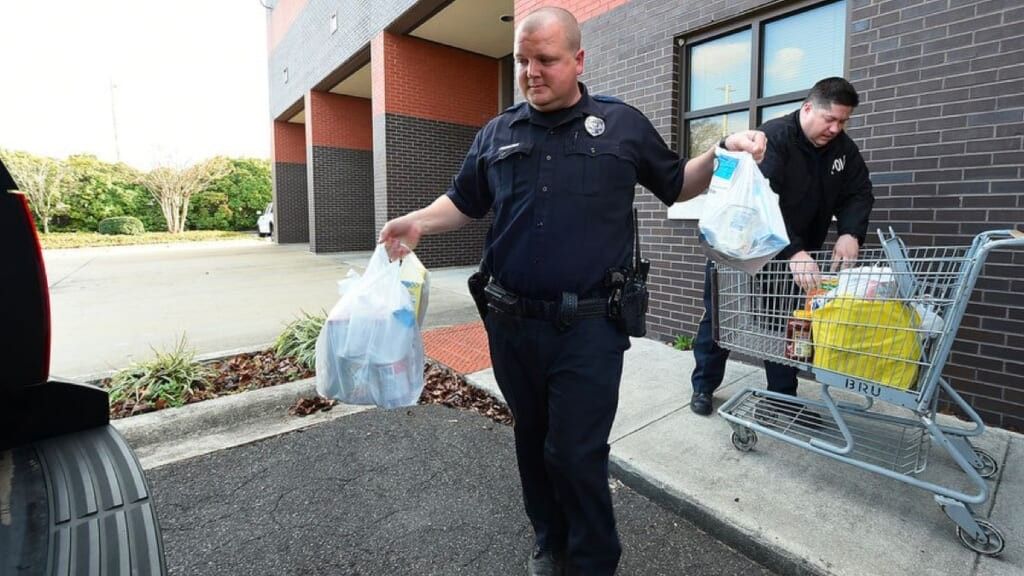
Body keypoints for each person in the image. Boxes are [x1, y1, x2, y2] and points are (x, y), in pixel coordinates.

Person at [379, 7, 765, 575]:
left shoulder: (621, 125)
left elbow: (678, 185)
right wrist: (418, 223)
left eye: (546, 60)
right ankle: (549, 540)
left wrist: (723, 149)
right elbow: (464, 200)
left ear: (578, 60)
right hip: (511, 324)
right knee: (532, 440)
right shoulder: (498, 132)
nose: (532, 72)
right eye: (522, 61)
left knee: (577, 452)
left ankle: (592, 560)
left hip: (589, 327)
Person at [689, 77, 874, 417]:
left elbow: (859, 192)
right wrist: (794, 250)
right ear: (807, 109)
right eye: (829, 119)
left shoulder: (843, 151)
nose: (835, 128)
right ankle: (703, 386)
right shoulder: (774, 138)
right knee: (722, 319)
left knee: (789, 324)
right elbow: (763, 201)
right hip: (744, 250)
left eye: (843, 121)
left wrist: (850, 232)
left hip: (796, 259)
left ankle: (784, 398)